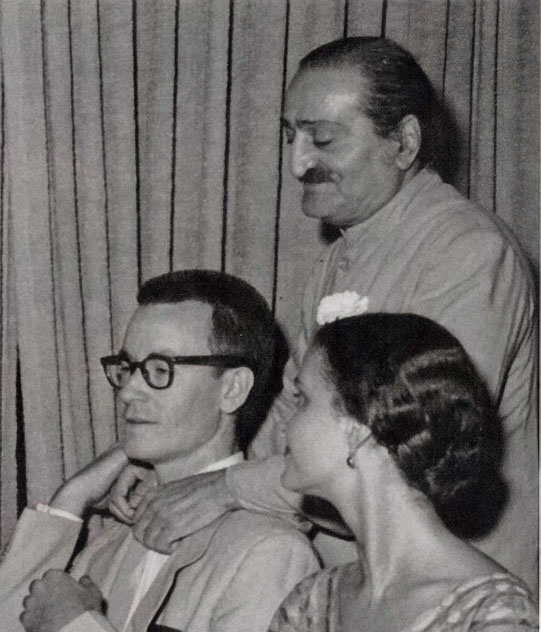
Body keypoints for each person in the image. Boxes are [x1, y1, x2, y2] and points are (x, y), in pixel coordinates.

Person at [113, 36, 537, 590]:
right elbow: (291, 414)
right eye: (290, 136)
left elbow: (407, 450)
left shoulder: (468, 253)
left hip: (452, 595)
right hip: (361, 582)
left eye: (324, 139)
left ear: (404, 143)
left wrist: (223, 489)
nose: (297, 164)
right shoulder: (338, 258)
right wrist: (177, 470)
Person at [0, 270, 319, 632]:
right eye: (127, 368)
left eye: (158, 370)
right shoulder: (110, 545)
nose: (129, 390)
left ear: (232, 388)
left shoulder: (267, 553)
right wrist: (71, 498)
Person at [244, 313, 538, 632]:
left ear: (358, 427)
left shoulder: (492, 616)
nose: (284, 427)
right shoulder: (308, 607)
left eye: (303, 400)